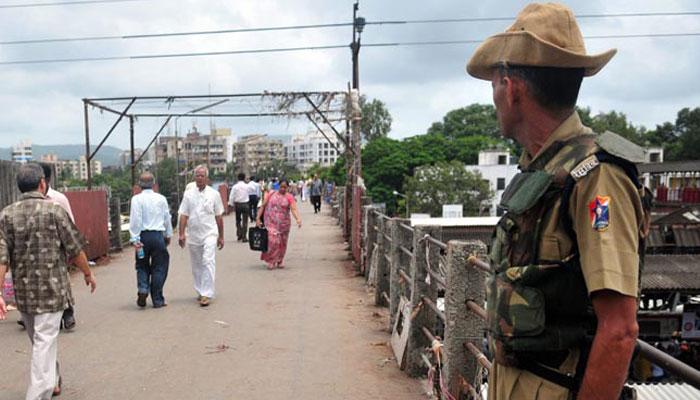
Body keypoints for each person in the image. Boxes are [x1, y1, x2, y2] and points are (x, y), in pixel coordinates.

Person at [467, 4, 647, 400]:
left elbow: (619, 329)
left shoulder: (596, 177)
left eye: (495, 83)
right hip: (516, 380)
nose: (494, 96)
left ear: (511, 87)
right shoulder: (545, 168)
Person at [0, 163, 97, 399]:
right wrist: (87, 273)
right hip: (52, 290)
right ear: (42, 183)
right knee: (43, 342)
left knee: (40, 341)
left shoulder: (6, 215)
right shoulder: (54, 211)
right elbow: (74, 249)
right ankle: (37, 394)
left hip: (24, 293)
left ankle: (51, 380)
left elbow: (1, 258)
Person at [178, 165, 225, 307]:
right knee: (197, 264)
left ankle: (207, 293)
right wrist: (181, 234)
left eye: (202, 176)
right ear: (194, 178)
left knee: (208, 260)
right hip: (193, 234)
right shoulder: (188, 195)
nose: (199, 178)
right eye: (197, 175)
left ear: (207, 178)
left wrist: (221, 236)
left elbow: (219, 217)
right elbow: (184, 215)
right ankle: (200, 290)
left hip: (210, 233)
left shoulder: (214, 194)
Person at [41, 163, 78, 330]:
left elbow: (71, 223)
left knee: (61, 281)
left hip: (57, 248)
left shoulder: (59, 198)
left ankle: (68, 313)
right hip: (35, 249)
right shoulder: (26, 200)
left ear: (46, 179)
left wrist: (71, 248)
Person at [129, 172, 173, 308]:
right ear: (153, 184)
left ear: (139, 185)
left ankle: (143, 288)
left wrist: (135, 238)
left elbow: (135, 219)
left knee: (142, 265)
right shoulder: (161, 199)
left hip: (142, 237)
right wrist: (168, 234)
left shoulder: (136, 199)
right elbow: (167, 218)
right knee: (159, 267)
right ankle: (158, 299)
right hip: (158, 236)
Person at [256, 179, 302, 270]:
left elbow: (293, 209)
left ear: (288, 188)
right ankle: (271, 260)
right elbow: (263, 206)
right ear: (278, 186)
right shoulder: (271, 194)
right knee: (273, 241)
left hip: (284, 224)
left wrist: (298, 219)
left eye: (285, 187)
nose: (283, 189)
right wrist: (257, 218)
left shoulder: (289, 197)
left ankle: (280, 260)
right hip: (271, 223)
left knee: (282, 243)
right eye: (281, 187)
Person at [229, 173, 251, 242]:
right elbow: (250, 192)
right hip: (245, 204)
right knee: (245, 221)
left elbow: (231, 196)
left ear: (237, 178)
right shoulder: (247, 186)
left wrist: (231, 204)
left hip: (238, 204)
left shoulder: (235, 187)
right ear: (244, 178)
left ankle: (239, 234)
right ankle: (244, 237)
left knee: (238, 220)